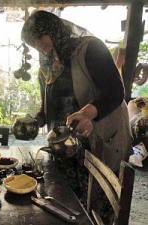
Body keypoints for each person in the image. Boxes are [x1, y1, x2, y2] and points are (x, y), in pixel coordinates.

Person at [21, 10, 133, 223]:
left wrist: (87, 113)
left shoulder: (90, 48)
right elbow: (48, 105)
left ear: (53, 29)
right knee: (65, 200)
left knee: (95, 203)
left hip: (94, 138)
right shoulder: (47, 63)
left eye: (39, 37)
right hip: (63, 144)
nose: (37, 45)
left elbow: (114, 92)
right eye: (32, 43)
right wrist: (37, 120)